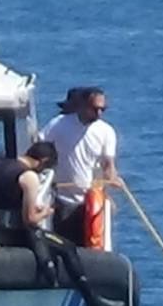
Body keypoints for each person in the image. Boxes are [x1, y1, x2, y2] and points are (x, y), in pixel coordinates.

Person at [0, 142, 123, 306]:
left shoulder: (0, 166)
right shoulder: (29, 177)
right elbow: (30, 220)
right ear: (43, 161)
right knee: (67, 247)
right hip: (16, 233)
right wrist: (46, 212)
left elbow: (7, 199)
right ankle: (90, 298)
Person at [38, 86, 125, 244]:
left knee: (91, 245)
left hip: (90, 201)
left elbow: (108, 165)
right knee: (63, 245)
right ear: (83, 106)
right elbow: (39, 147)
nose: (99, 114)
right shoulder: (58, 125)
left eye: (103, 109)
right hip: (63, 200)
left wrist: (113, 182)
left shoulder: (106, 131)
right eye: (95, 109)